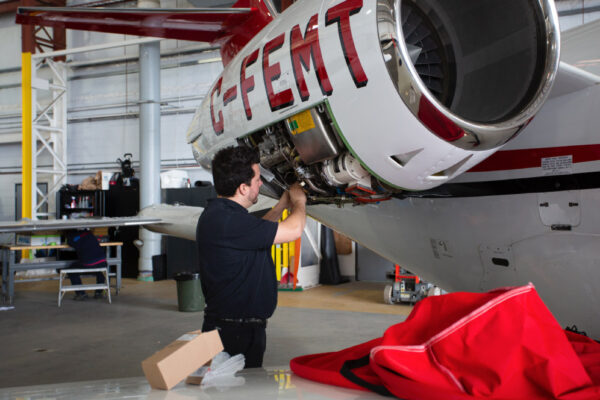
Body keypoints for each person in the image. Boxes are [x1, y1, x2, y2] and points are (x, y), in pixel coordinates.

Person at [196, 145, 307, 368]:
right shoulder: (230, 221)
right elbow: (294, 230)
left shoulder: (221, 215)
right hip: (235, 334)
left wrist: (281, 206)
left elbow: (255, 232)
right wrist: (299, 201)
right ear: (243, 188)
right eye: (257, 179)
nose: (260, 183)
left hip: (230, 328)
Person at [65, 230, 108, 301]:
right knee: (100, 271)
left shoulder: (71, 237)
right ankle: (99, 293)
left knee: (71, 270)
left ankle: (81, 294)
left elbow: (70, 243)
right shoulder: (89, 233)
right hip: (102, 262)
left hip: (88, 263)